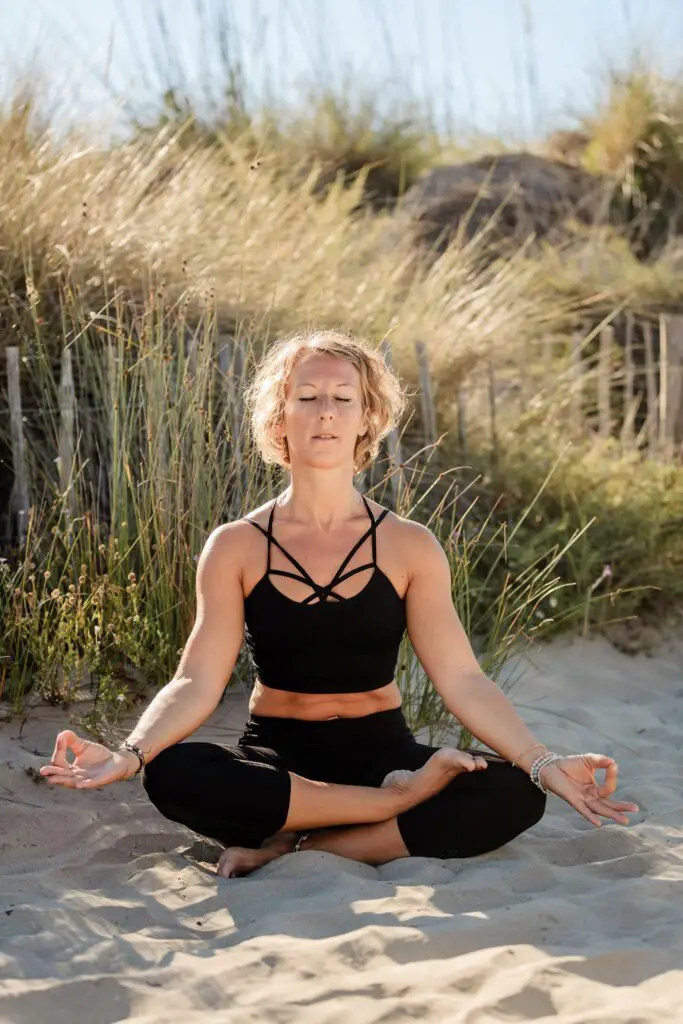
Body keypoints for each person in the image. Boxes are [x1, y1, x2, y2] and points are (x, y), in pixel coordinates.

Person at [40, 330, 639, 878]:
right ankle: (386, 809)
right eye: (307, 397)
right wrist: (129, 753)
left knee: (513, 793)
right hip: (281, 762)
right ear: (280, 419)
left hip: (384, 751)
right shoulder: (236, 545)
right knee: (172, 770)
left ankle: (301, 846)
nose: (325, 411)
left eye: (342, 398)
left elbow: (462, 676)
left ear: (366, 418)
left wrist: (543, 763)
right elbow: (196, 679)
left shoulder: (409, 545)